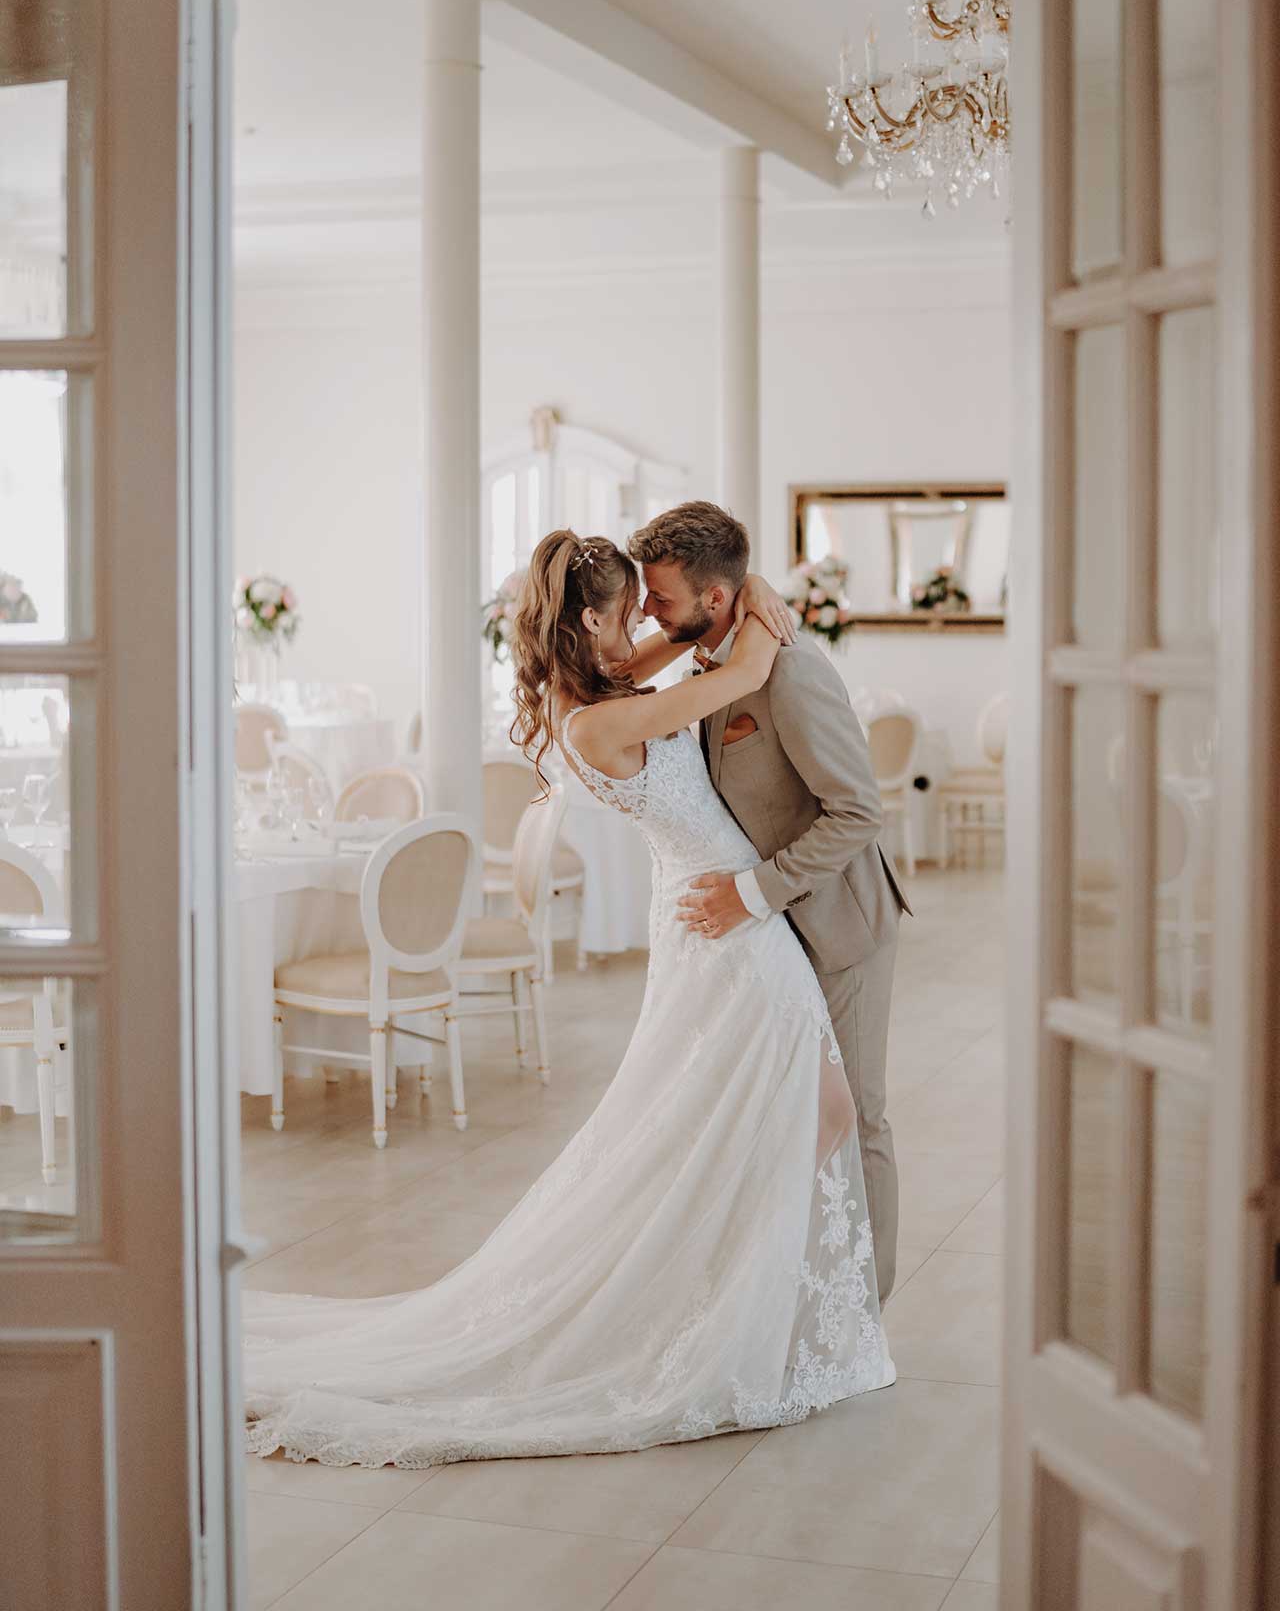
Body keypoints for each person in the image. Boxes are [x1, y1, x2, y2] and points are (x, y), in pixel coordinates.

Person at [243, 529, 893, 1471]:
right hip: (727, 927)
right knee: (808, 1108)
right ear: (590, 619)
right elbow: (740, 670)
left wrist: (728, 602)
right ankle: (717, 1290)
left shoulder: (594, 694)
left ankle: (739, 1276)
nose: (641, 623)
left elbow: (666, 656)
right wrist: (750, 604)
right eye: (628, 607)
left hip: (716, 924)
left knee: (782, 1112)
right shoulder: (597, 723)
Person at [626, 500, 910, 1302]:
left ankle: (865, 1303)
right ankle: (795, 1284)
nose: (650, 610)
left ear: (716, 600)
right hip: (769, 940)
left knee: (857, 1116)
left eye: (663, 597)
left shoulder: (790, 668)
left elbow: (858, 812)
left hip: (838, 924)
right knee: (789, 1115)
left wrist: (752, 895)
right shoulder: (711, 658)